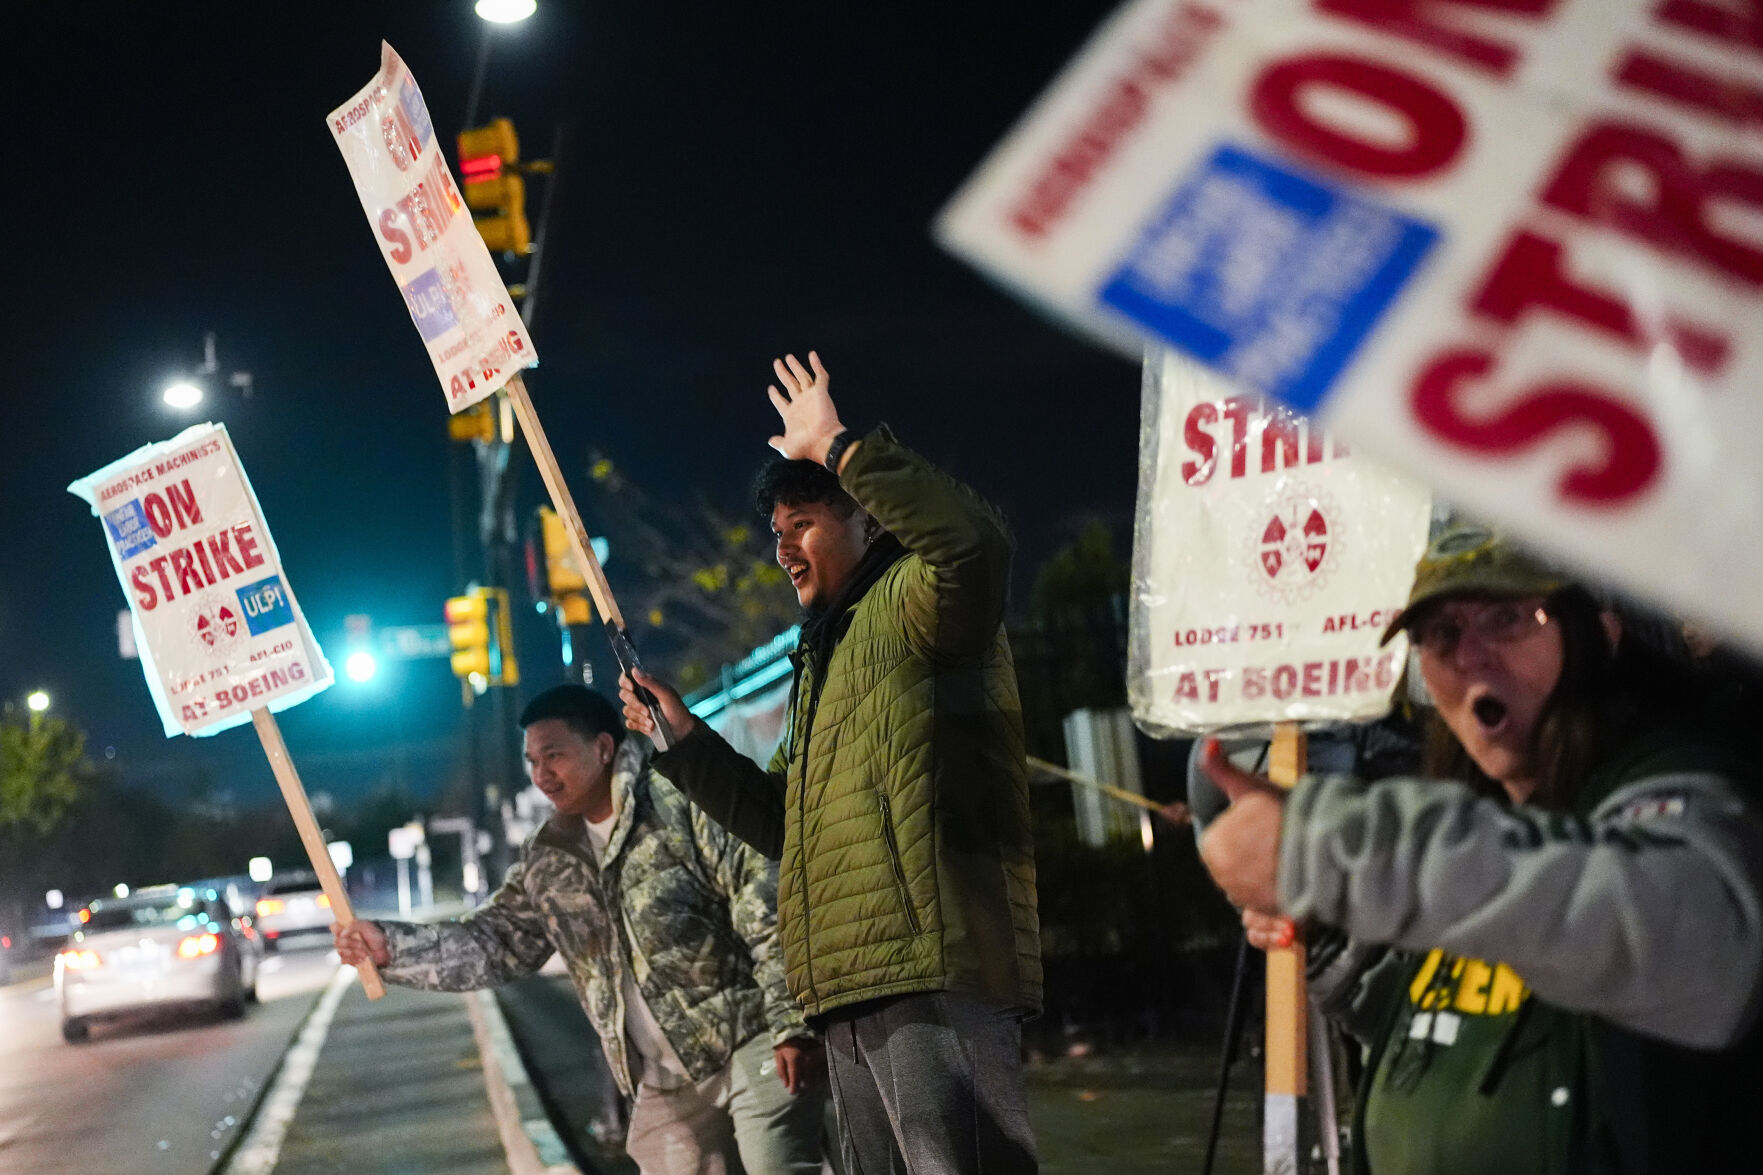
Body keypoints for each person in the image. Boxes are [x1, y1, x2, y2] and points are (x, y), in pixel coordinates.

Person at [1197, 522, 1763, 1174]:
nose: (1470, 656)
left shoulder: (1694, 783)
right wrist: (1330, 938)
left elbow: (1671, 934)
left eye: (1506, 617)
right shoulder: (1485, 819)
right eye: (1439, 634)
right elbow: (1462, 1032)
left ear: (1597, 634)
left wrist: (1339, 854)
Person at [619, 351, 1041, 1174]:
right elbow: (783, 823)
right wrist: (683, 739)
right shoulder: (825, 657)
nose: (782, 548)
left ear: (869, 520)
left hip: (931, 969)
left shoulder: (918, 602)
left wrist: (840, 447)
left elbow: (973, 545)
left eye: (802, 522)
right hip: (847, 983)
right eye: (776, 532)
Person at [332, 684, 826, 1175]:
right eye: (532, 761)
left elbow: (764, 899)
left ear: (603, 748)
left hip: (753, 1042)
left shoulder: (679, 799)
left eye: (554, 756)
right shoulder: (550, 856)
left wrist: (791, 1024)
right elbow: (496, 942)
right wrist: (390, 947)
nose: (541, 775)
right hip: (661, 1079)